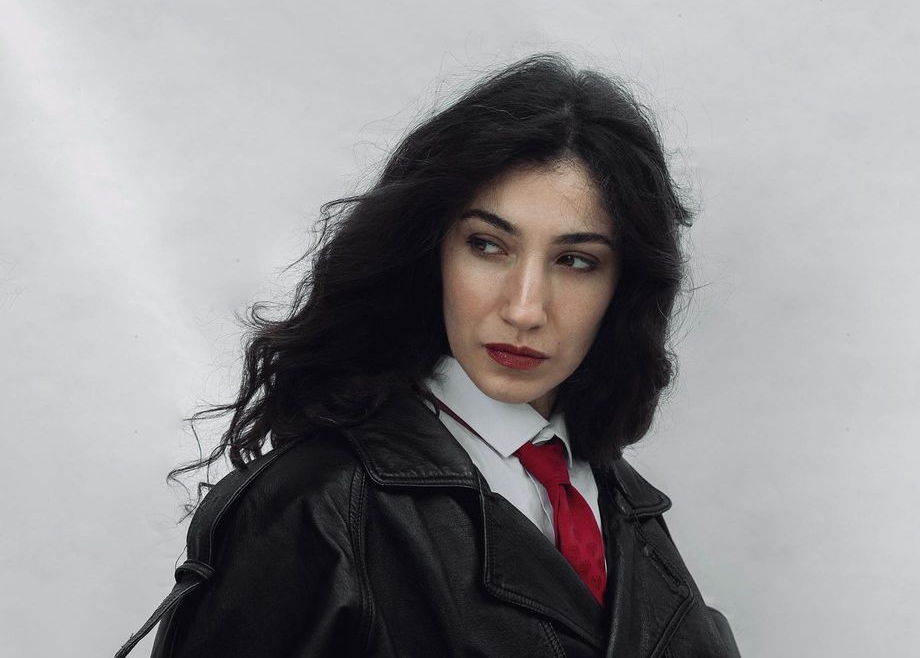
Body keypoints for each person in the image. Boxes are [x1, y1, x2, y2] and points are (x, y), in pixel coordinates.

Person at [116, 54, 741, 657]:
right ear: (431, 251)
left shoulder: (627, 506)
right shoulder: (315, 505)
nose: (525, 308)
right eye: (488, 246)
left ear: (623, 287)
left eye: (576, 261)